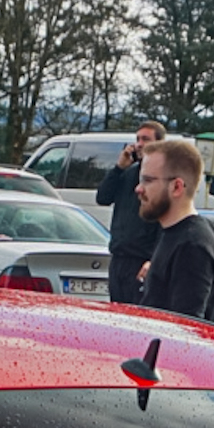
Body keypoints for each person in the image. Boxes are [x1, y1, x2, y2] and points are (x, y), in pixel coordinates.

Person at [136, 136, 214, 320]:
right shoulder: (176, 233)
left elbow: (186, 331)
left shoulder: (192, 246)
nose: (138, 188)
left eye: (147, 180)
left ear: (177, 187)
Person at [94, 120, 166, 304]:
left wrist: (154, 260)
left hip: (141, 261)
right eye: (137, 139)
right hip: (119, 259)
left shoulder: (162, 179)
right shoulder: (127, 174)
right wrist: (118, 168)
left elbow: (164, 225)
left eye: (146, 139)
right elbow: (103, 198)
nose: (139, 144)